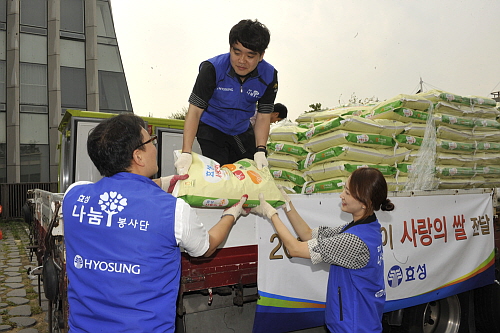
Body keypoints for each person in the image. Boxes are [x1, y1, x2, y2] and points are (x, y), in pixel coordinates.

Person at [62, 114, 248, 333]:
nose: (154, 147)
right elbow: (206, 247)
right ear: (138, 156)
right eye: (151, 141)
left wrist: (158, 183)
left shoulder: (73, 196)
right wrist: (231, 214)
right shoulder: (173, 210)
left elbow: (121, 190)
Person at [252, 168, 395, 333]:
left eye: (348, 193)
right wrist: (287, 205)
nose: (341, 195)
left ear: (364, 202)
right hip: (357, 323)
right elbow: (307, 234)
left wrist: (271, 214)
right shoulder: (366, 227)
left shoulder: (353, 241)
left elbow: (295, 249)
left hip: (354, 327)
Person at [175, 19, 278, 174]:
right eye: (237, 53)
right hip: (212, 128)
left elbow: (263, 116)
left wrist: (261, 150)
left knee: (250, 175)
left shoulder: (269, 76)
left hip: (242, 129)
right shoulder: (212, 69)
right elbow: (195, 111)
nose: (242, 61)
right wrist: (186, 152)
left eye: (250, 56)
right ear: (230, 48)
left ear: (261, 55)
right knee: (220, 175)